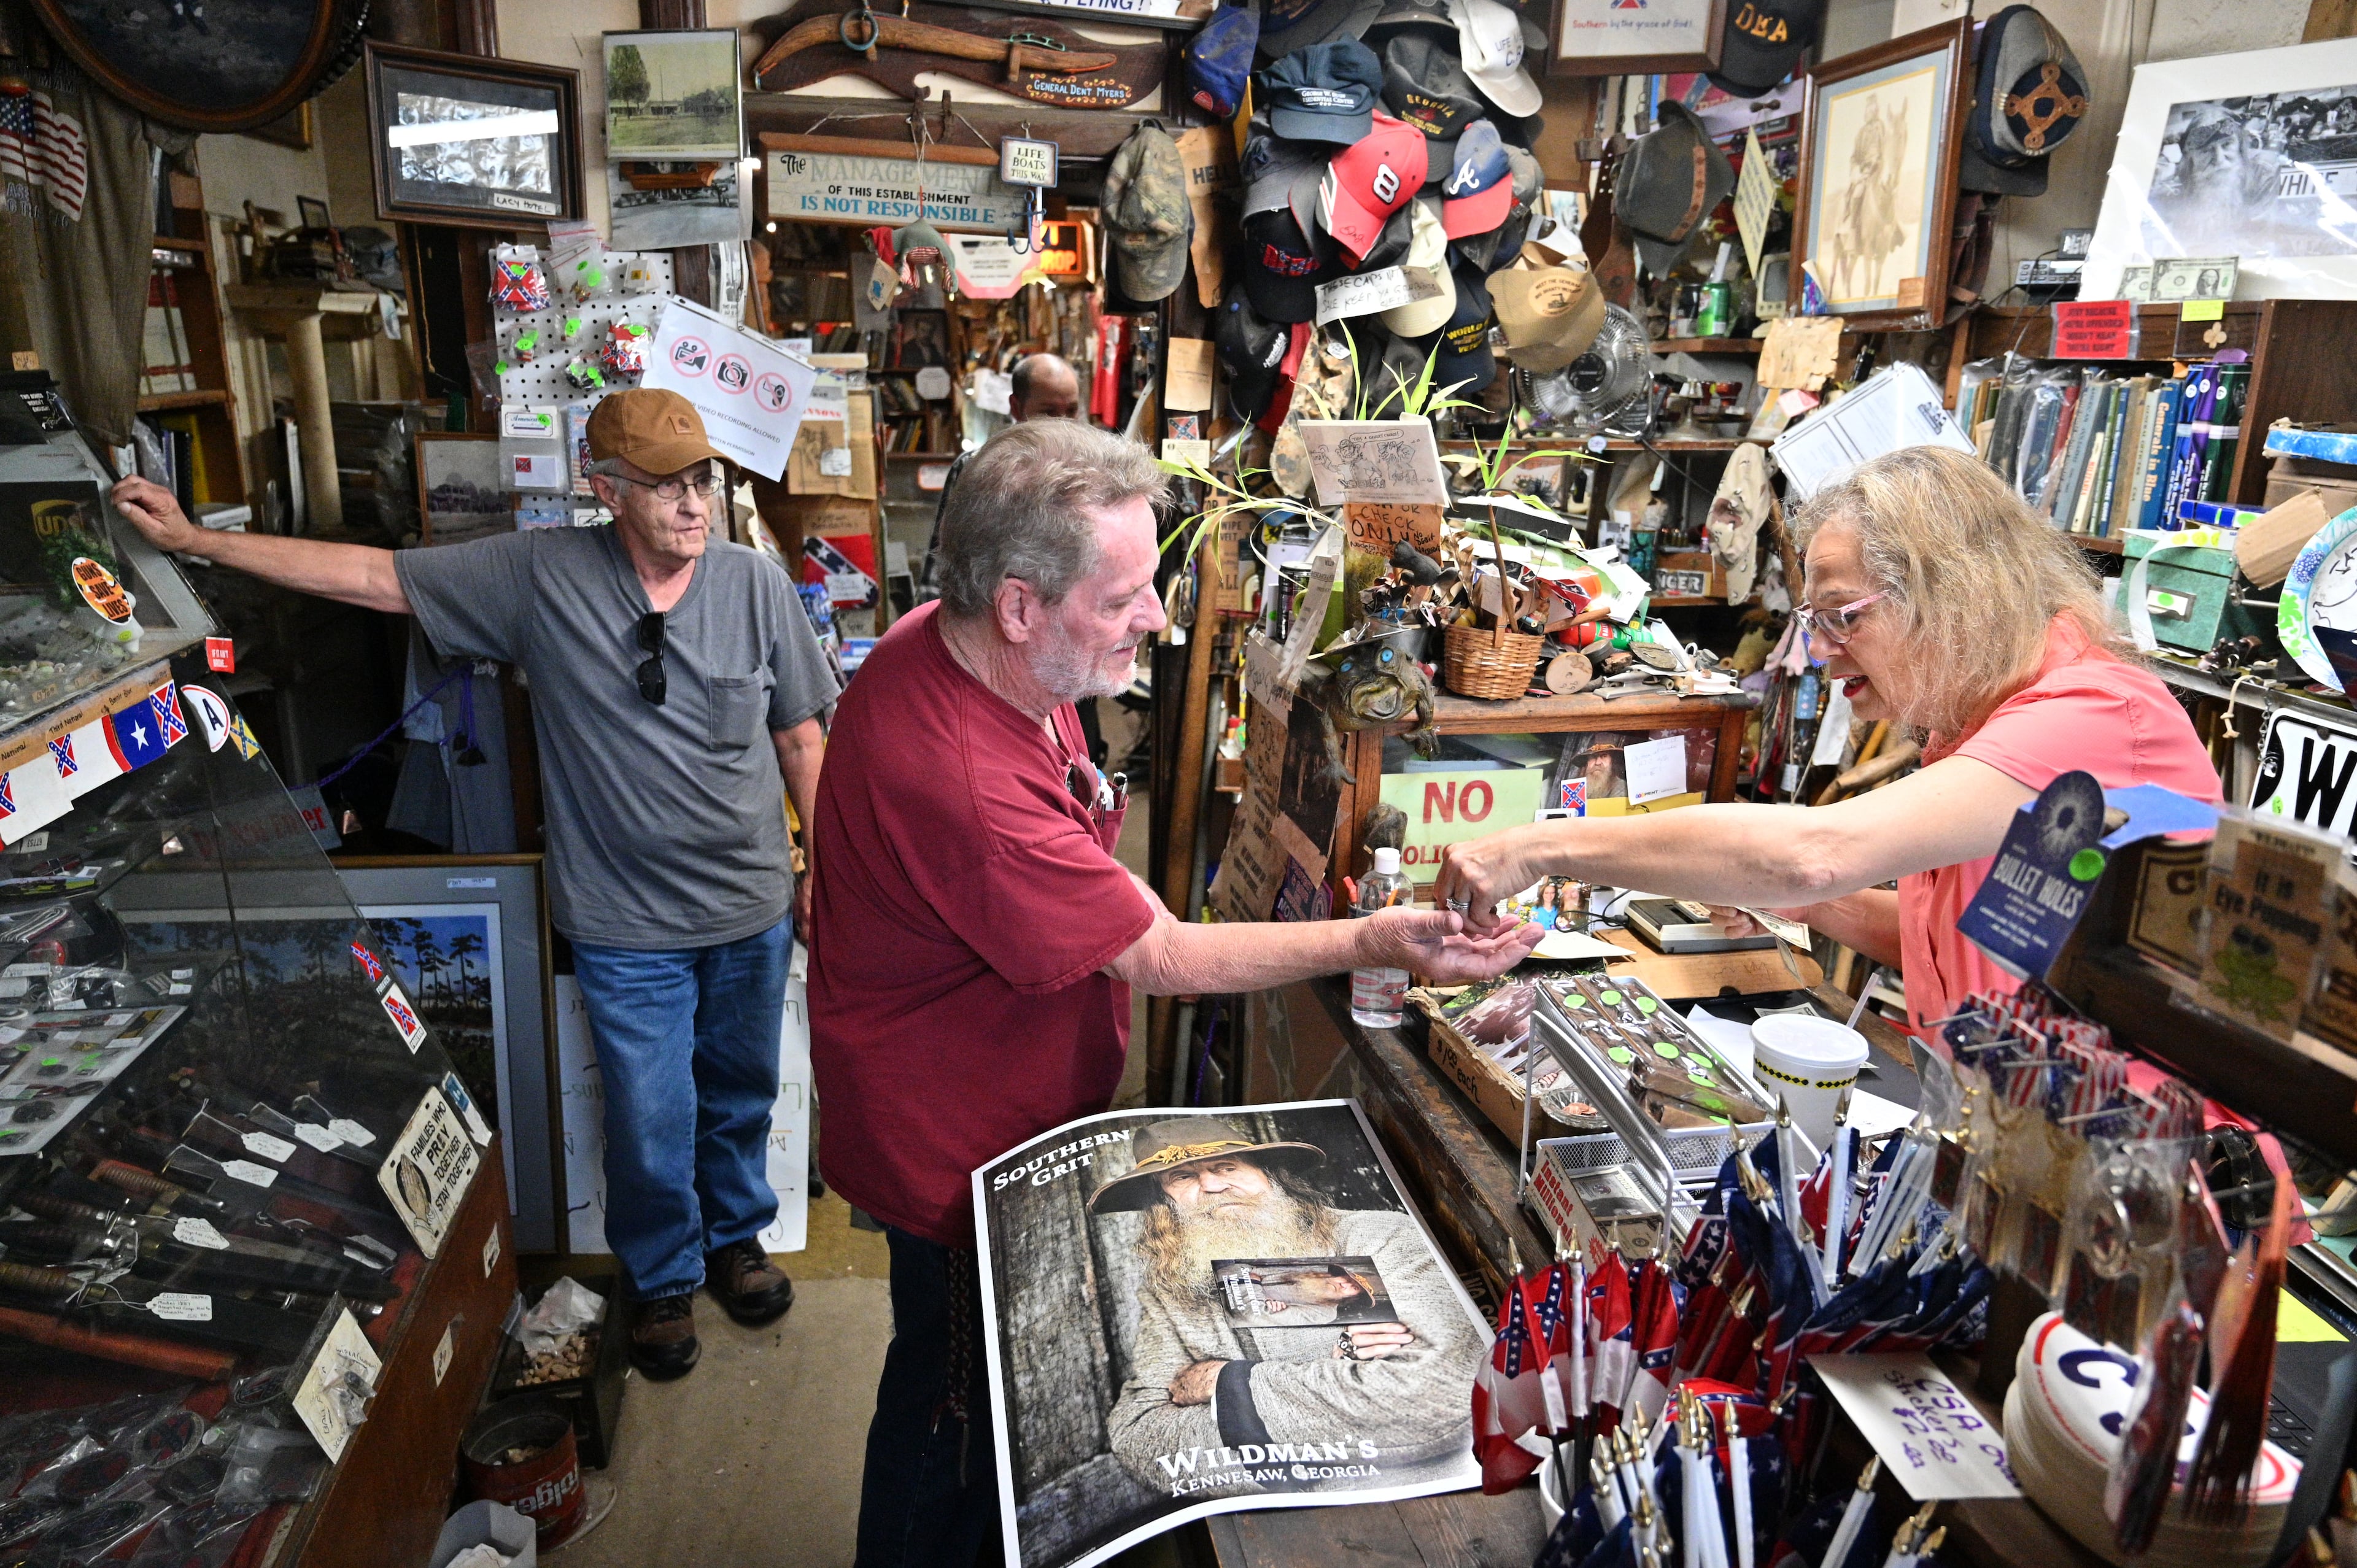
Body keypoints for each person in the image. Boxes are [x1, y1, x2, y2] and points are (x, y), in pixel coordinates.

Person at [807, 419, 1539, 1568]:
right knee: (948, 1409)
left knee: (970, 1397)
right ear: (1016, 604)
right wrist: (1379, 936)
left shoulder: (967, 644)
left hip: (979, 1087)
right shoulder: (961, 779)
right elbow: (1165, 959)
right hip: (947, 1136)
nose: (1154, 621)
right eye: (1123, 600)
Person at [109, 389, 837, 1381]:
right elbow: (375, 576)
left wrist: (824, 873)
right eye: (664, 486)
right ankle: (664, 1279)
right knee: (650, 1110)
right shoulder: (541, 577)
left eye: (701, 481)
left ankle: (736, 1241)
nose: (692, 505)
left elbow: (802, 736)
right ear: (606, 491)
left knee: (741, 1090)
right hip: (625, 923)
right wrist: (202, 542)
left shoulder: (755, 587)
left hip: (750, 908)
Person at [1433, 444, 2222, 1033]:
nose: (1820, 648)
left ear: (1953, 594)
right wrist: (1795, 898)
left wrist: (1539, 848)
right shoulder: (1980, 722)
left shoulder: (2089, 717)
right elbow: (1944, 941)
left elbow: (1816, 848)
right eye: (1814, 621)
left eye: (1844, 614)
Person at [1088, 1117, 1484, 1493]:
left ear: (1269, 1174)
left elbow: (1437, 1393)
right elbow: (1139, 1435)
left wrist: (1227, 1385)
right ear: (1163, 1204)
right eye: (1183, 1176)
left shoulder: (1380, 1236)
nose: (1211, 1185)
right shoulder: (1171, 1293)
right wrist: (1340, 1382)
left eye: (1227, 1167)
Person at [916, 352, 1081, 604]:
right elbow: (942, 568)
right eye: (1048, 413)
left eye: (1071, 411)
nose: (1063, 424)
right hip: (990, 622)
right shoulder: (979, 469)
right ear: (1016, 407)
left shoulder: (1090, 474)